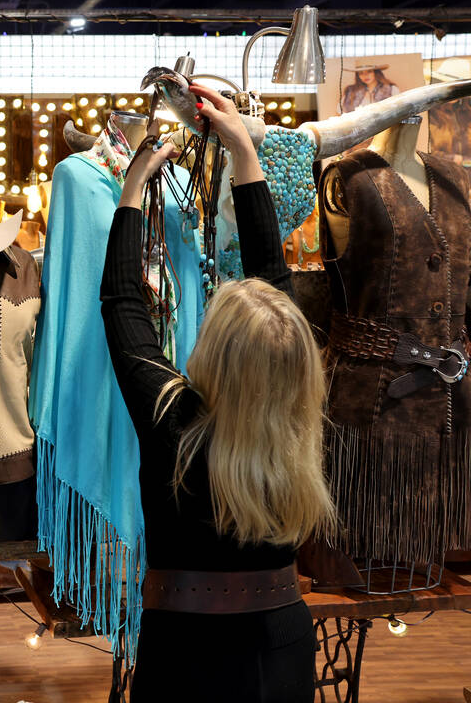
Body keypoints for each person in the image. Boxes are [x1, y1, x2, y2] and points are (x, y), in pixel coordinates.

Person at [101, 84, 335, 702]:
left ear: (216, 348)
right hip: (280, 646)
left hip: (185, 649)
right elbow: (273, 289)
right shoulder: (295, 417)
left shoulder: (174, 419)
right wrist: (242, 154)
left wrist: (131, 192)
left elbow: (122, 304)